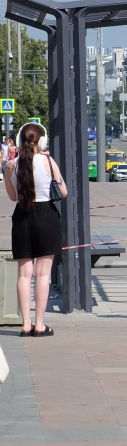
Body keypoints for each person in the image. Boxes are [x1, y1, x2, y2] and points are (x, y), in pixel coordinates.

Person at [3, 122, 67, 336]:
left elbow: (12, 197)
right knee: (43, 274)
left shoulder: (12, 165)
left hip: (22, 216)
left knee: (24, 274)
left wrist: (8, 174)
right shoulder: (48, 161)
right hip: (46, 216)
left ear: (20, 140)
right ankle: (39, 324)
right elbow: (63, 192)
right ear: (42, 141)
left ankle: (25, 324)